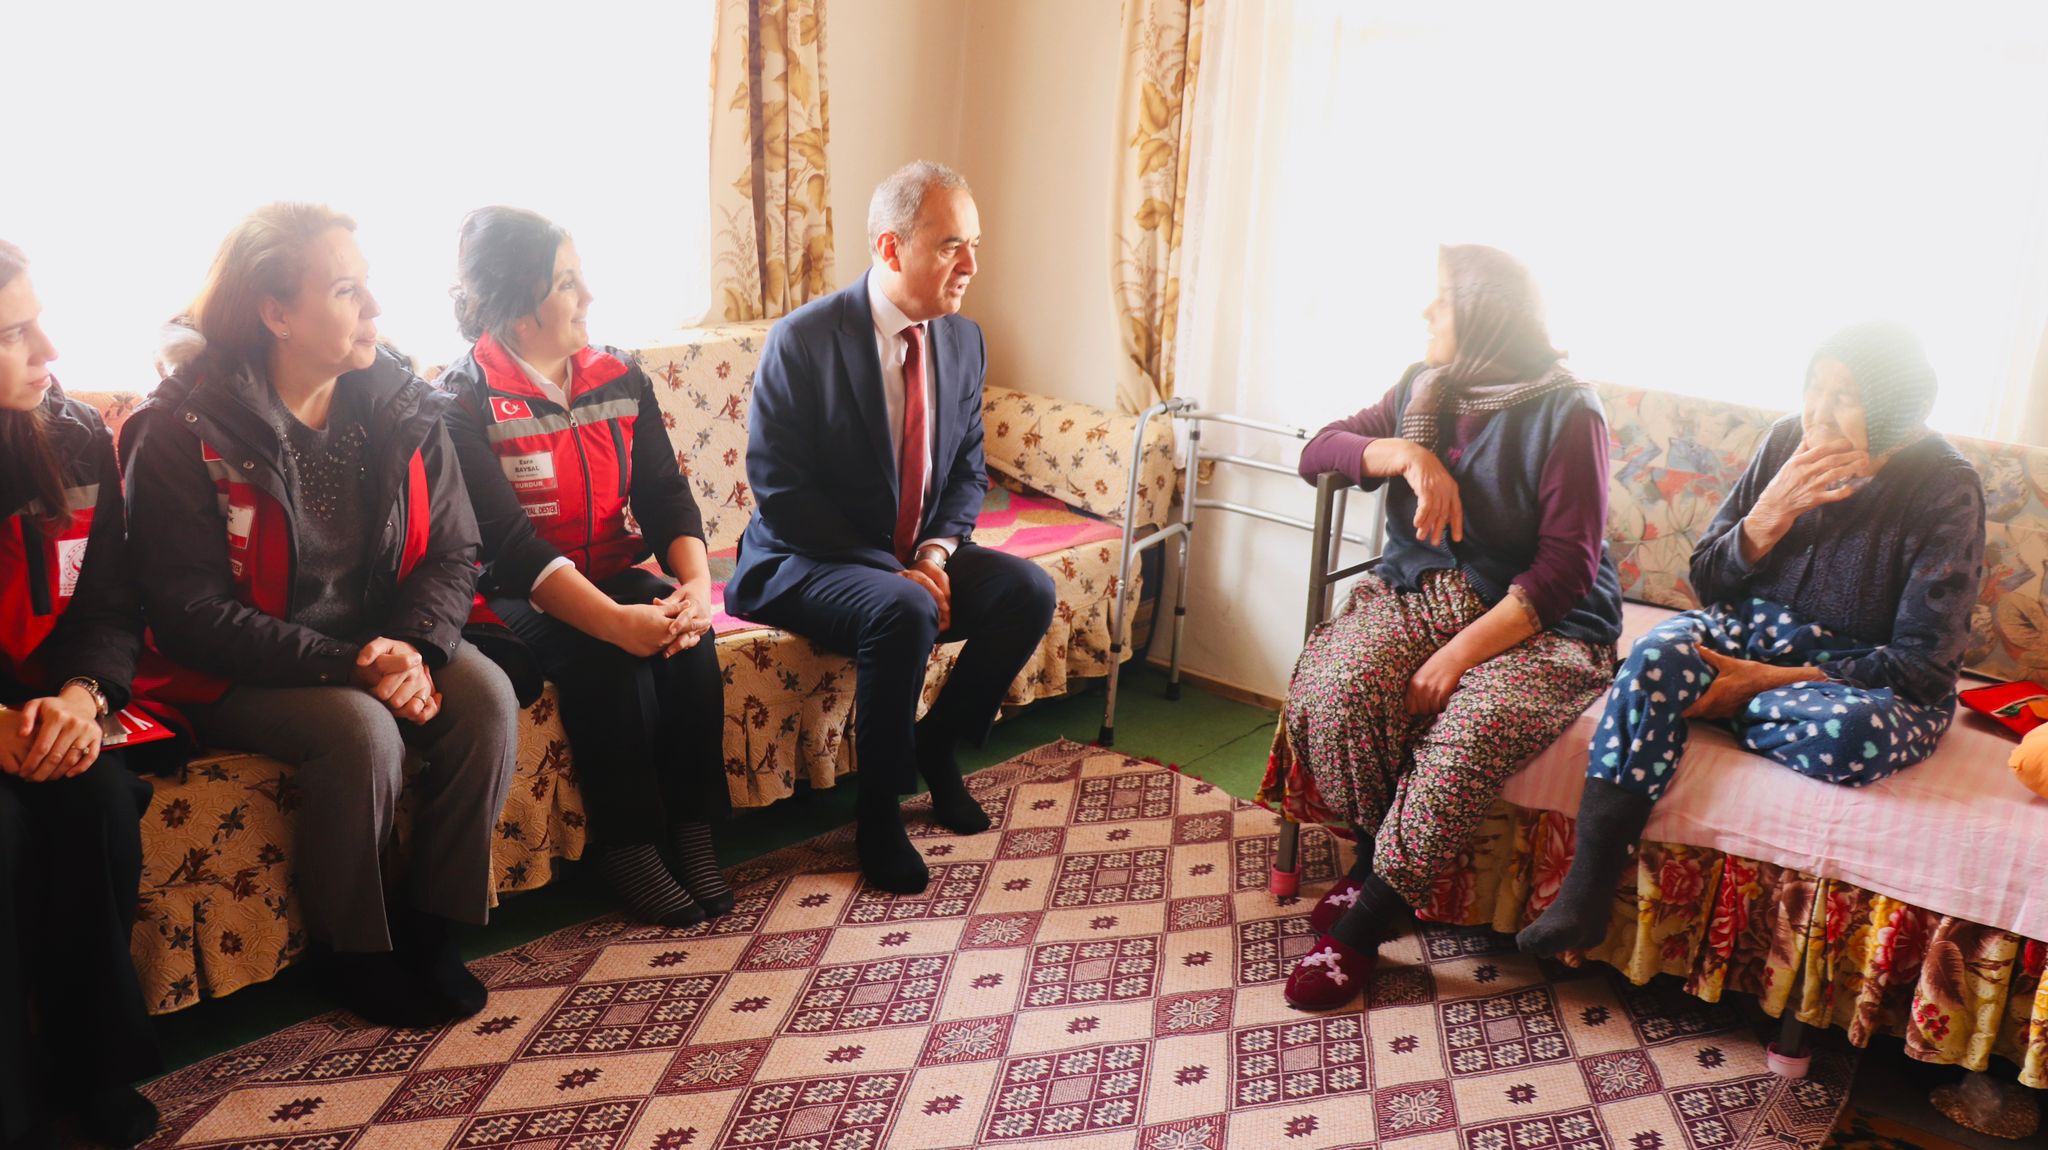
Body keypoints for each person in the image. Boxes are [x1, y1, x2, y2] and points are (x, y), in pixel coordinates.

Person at [121, 204, 518, 1027]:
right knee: (359, 730)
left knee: (486, 699)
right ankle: (354, 952)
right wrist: (353, 664)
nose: (374, 307)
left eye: (367, 285)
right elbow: (189, 612)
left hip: (381, 638)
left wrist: (412, 648)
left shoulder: (400, 399)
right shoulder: (179, 427)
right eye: (345, 291)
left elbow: (455, 549)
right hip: (239, 663)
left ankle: (432, 928)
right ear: (276, 313)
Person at [1518, 321, 1985, 955]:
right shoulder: (1788, 440)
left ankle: (1711, 705)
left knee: (1850, 736)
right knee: (1654, 656)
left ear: (1892, 408)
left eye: (1844, 397)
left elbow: (1924, 669)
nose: (1820, 413)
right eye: (1814, 388)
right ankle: (1586, 893)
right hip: (1749, 631)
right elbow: (1708, 581)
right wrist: (1770, 514)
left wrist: (1763, 682)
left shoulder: (1945, 487)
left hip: (1851, 676)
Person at [1268, 244, 1625, 1010]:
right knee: (1336, 689)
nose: (1426, 312)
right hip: (1425, 591)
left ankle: (1366, 923)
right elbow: (1319, 450)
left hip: (1546, 621)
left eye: (1442, 299)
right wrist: (1405, 454)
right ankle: (1376, 857)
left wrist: (1457, 657)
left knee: (1471, 729)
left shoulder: (1568, 411)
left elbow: (1566, 569)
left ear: (1487, 315)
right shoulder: (1425, 386)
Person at [726, 161, 1056, 894]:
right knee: (904, 605)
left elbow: (967, 470)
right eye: (950, 246)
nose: (970, 266)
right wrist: (891, 569)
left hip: (912, 554)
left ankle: (937, 744)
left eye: (974, 244)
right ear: (890, 248)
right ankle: (877, 815)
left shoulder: (964, 340)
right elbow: (781, 490)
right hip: (804, 556)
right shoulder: (804, 339)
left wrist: (934, 553)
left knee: (1028, 591)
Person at [440, 206, 732, 926]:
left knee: (691, 644)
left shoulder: (620, 375)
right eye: (567, 282)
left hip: (608, 567)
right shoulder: (461, 400)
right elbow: (510, 545)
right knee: (609, 663)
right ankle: (628, 848)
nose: (588, 296)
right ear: (519, 304)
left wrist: (695, 590)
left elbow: (664, 496)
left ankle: (693, 832)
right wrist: (616, 625)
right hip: (512, 594)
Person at [0, 241, 160, 1146]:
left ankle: (93, 1067)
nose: (49, 351)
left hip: (48, 706)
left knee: (98, 800)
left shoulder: (73, 433)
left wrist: (81, 696)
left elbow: (107, 603)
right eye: (13, 334)